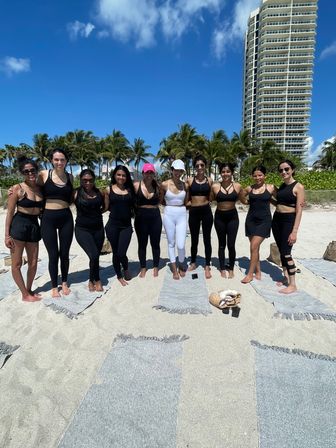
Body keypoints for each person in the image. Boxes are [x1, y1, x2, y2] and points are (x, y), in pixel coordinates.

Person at [4, 156, 44, 302]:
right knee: (17, 264)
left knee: (33, 263)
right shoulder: (17, 188)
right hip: (19, 225)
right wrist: (6, 236)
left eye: (32, 170)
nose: (30, 173)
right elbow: (9, 213)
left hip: (34, 226)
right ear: (22, 173)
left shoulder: (41, 189)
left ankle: (29, 289)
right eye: (26, 171)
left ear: (36, 171)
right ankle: (24, 294)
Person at [38, 148, 74, 298]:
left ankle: (64, 282)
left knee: (64, 253)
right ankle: (54, 286)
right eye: (56, 159)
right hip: (48, 218)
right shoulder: (44, 174)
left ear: (66, 161)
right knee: (53, 255)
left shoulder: (70, 177)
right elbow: (32, 187)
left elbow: (71, 197)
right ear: (51, 160)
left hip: (66, 217)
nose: (59, 162)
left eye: (62, 159)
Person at [272, 160, 305, 294]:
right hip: (277, 220)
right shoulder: (282, 186)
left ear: (292, 169)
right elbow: (279, 204)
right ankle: (286, 277)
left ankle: (293, 284)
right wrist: (268, 198)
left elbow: (299, 210)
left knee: (286, 252)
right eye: (281, 170)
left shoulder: (298, 187)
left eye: (286, 169)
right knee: (281, 251)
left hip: (288, 221)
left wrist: (294, 231)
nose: (284, 172)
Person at [241, 165, 276, 283]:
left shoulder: (271, 188)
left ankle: (249, 274)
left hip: (264, 221)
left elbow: (281, 199)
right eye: (255, 175)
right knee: (255, 249)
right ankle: (258, 271)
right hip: (251, 220)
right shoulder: (249, 188)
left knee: (253, 246)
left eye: (260, 175)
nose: (257, 178)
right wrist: (246, 202)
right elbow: (241, 195)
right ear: (252, 176)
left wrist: (272, 201)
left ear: (265, 176)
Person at [74, 169, 105, 292]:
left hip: (98, 229)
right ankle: (96, 279)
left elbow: (106, 206)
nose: (88, 182)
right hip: (82, 230)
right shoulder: (75, 193)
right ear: (81, 180)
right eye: (85, 180)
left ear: (94, 180)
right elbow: (61, 202)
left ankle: (91, 279)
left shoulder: (100, 193)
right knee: (94, 254)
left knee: (95, 257)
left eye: (90, 180)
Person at [104, 165, 135, 286]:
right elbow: (106, 207)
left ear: (126, 177)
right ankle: (119, 275)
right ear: (114, 175)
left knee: (122, 252)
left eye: (123, 175)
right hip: (112, 226)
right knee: (116, 252)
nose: (121, 177)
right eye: (118, 175)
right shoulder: (108, 189)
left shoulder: (130, 190)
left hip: (126, 226)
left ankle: (126, 267)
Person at [212, 163, 243, 278]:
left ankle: (231, 268)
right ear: (220, 173)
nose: (225, 174)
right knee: (221, 244)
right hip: (219, 217)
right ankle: (222, 268)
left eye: (228, 172)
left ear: (232, 173)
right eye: (223, 172)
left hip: (233, 218)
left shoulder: (238, 186)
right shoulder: (215, 186)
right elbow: (209, 199)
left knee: (231, 244)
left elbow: (244, 200)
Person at [160, 159, 189, 280]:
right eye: (175, 170)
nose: (178, 173)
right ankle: (174, 268)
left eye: (180, 171)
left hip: (182, 213)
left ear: (182, 171)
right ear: (172, 170)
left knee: (181, 244)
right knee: (171, 243)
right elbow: (161, 199)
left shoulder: (185, 185)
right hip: (169, 213)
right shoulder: (164, 184)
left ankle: (182, 263)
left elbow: (186, 201)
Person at [187, 155, 213, 279]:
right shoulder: (190, 180)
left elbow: (211, 196)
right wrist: (189, 204)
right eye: (197, 165)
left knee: (207, 239)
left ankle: (207, 264)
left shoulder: (210, 180)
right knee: (194, 239)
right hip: (194, 212)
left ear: (205, 166)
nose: (200, 167)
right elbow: (186, 198)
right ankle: (193, 262)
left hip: (206, 211)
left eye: (202, 165)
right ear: (194, 167)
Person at [134, 163, 162, 278]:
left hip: (155, 217)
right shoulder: (136, 185)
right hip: (141, 218)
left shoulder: (158, 187)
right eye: (147, 172)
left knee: (155, 244)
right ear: (143, 173)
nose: (149, 175)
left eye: (151, 172)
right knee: (142, 244)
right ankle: (143, 267)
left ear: (154, 174)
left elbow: (161, 200)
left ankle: (155, 266)